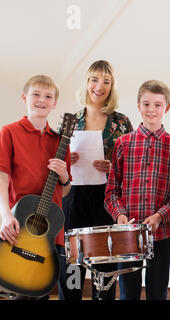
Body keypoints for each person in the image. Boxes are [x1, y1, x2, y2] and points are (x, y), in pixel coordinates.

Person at [59, 60, 133, 300]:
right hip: (73, 196)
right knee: (72, 262)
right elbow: (53, 163)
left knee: (105, 265)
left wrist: (113, 167)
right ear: (86, 82)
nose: (99, 86)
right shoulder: (68, 121)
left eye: (106, 81)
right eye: (94, 79)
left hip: (107, 198)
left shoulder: (122, 122)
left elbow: (131, 168)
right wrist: (66, 160)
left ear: (112, 87)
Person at [105, 79, 170, 300]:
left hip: (161, 234)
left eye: (157, 105)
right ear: (138, 106)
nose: (151, 110)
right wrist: (119, 214)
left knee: (157, 293)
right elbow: (111, 190)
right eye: (146, 104)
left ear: (166, 108)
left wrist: (160, 216)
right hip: (127, 234)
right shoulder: (122, 144)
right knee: (128, 294)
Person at [0, 75, 71, 299]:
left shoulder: (61, 141)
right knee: (17, 290)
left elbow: (65, 190)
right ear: (24, 98)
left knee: (41, 292)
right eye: (36, 94)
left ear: (55, 103)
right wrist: (4, 216)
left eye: (48, 96)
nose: (42, 100)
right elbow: (1, 177)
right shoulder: (9, 132)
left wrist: (65, 176)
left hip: (50, 230)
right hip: (18, 224)